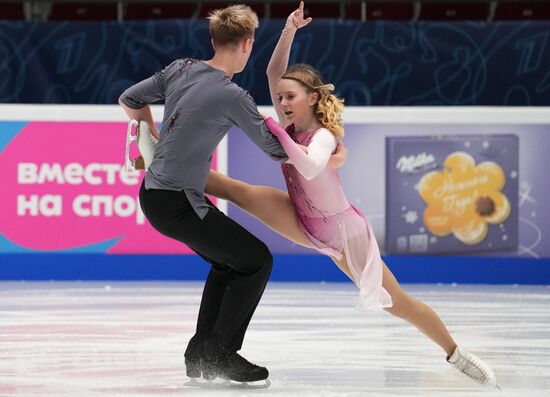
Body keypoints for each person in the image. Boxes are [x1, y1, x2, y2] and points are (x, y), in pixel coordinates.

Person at [204, 1, 498, 388]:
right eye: (280, 97)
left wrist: (276, 132)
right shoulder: (290, 121)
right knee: (235, 190)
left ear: (311, 98)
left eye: (290, 97)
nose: (282, 102)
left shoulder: (323, 136)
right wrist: (290, 29)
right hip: (302, 218)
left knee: (398, 304)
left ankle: (455, 353)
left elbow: (309, 166)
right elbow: (274, 71)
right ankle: (159, 164)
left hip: (344, 233)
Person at [118, 4, 298, 384]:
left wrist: (151, 136)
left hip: (154, 195)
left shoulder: (180, 67)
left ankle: (202, 350)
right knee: (256, 260)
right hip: (178, 200)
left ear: (214, 40)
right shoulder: (232, 95)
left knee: (228, 263)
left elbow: (130, 100)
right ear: (248, 44)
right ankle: (221, 353)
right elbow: (279, 151)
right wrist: (318, 140)